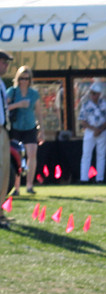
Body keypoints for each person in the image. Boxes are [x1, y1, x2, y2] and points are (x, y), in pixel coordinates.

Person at [6, 64, 42, 195]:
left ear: (30, 79)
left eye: (26, 78)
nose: (24, 81)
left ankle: (29, 185)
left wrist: (41, 129)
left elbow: (39, 112)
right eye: (21, 78)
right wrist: (18, 104)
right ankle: (16, 187)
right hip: (15, 127)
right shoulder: (12, 91)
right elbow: (4, 108)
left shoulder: (34, 93)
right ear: (18, 78)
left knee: (32, 154)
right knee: (16, 157)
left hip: (30, 127)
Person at [78, 82, 106, 184]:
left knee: (101, 155)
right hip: (90, 131)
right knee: (86, 154)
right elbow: (82, 120)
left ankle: (99, 178)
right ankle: (84, 178)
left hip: (102, 131)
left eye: (94, 93)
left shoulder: (105, 104)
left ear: (99, 94)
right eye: (91, 93)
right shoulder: (86, 105)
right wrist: (94, 129)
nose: (92, 95)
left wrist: (100, 129)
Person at [0, 51, 11, 223]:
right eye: (4, 62)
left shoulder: (1, 83)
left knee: (4, 171)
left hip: (3, 129)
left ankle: (0, 211)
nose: (6, 66)